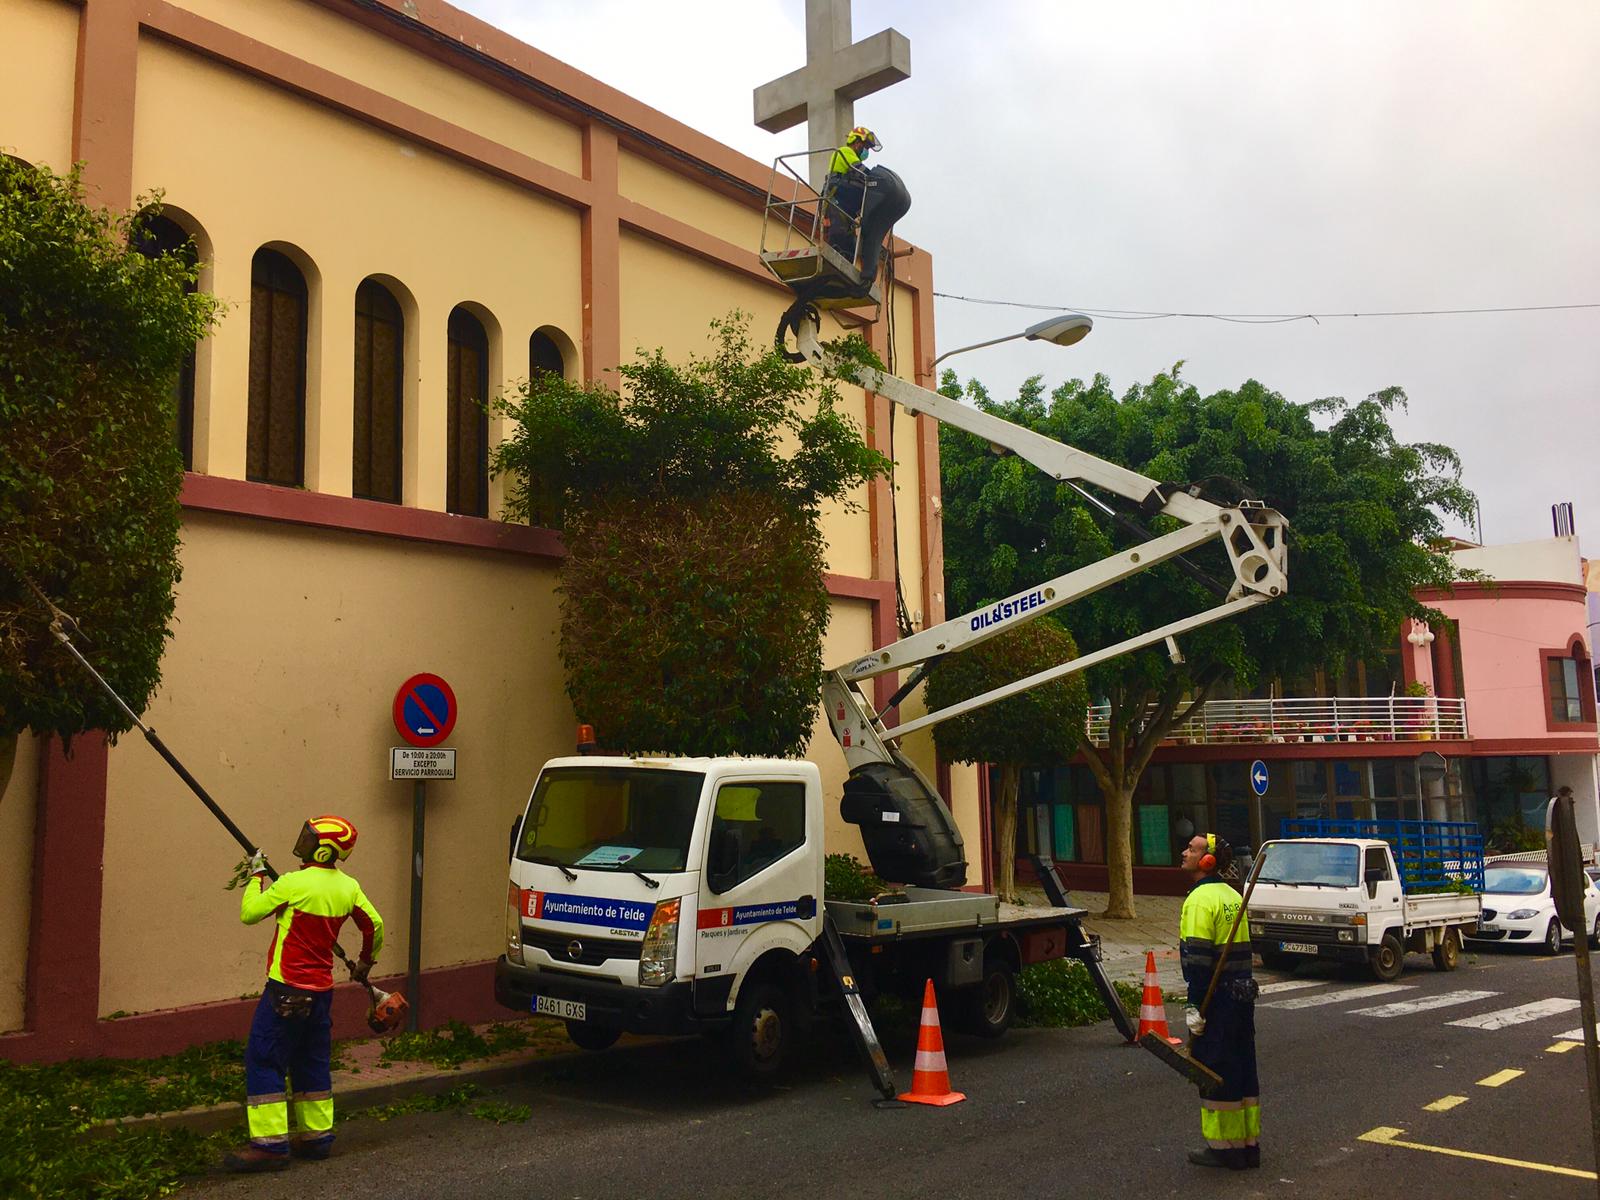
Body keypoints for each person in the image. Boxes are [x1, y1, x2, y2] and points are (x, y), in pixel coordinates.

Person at [224, 814, 384, 1173]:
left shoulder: (293, 884)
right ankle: (317, 1139)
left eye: (311, 839)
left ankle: (269, 1146)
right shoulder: (349, 888)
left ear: (325, 850)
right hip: (322, 994)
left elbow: (250, 914)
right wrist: (364, 962)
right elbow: (375, 924)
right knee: (311, 1061)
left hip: (286, 991)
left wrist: (257, 876)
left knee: (264, 1059)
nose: (305, 843)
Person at [1178, 832, 1260, 1170]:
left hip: (1218, 1000)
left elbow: (1197, 960)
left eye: (1192, 849)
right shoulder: (1232, 895)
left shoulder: (1199, 900)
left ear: (1208, 860)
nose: (1185, 853)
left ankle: (1223, 1149)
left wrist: (1195, 1006)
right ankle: (1247, 1146)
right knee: (1242, 1068)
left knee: (1214, 1070)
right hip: (1242, 997)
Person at [822, 125, 881, 259]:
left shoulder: (851, 155)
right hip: (836, 200)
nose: (865, 150)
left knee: (849, 243)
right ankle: (835, 255)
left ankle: (846, 258)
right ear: (856, 142)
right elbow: (862, 172)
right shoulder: (845, 151)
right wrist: (878, 179)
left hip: (844, 205)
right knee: (838, 233)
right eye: (864, 146)